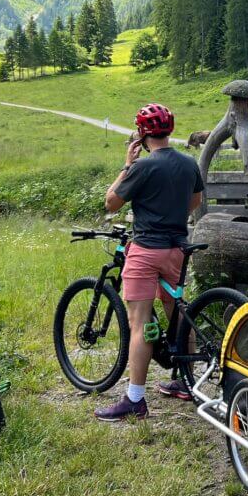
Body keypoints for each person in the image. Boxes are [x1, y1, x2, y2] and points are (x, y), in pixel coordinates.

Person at [94, 102, 204, 421]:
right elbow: (194, 202)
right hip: (178, 249)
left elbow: (111, 203)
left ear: (142, 135)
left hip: (146, 250)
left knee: (139, 323)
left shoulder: (143, 167)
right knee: (178, 314)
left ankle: (135, 399)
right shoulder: (188, 163)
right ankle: (185, 381)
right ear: (168, 131)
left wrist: (126, 165)